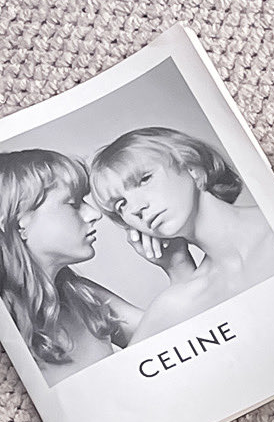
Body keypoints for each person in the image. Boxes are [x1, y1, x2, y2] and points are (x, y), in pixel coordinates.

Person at [88, 126, 274, 343]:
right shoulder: (174, 303)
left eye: (144, 179)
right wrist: (178, 266)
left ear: (193, 168)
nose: (135, 208)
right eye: (121, 204)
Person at [0, 147, 185, 377]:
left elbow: (178, 339)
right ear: (19, 221)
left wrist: (176, 264)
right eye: (73, 203)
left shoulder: (81, 296)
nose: (94, 214)